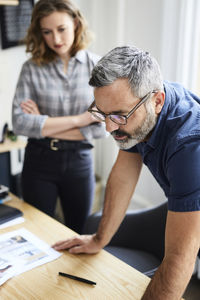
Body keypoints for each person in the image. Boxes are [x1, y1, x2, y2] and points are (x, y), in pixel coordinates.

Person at [52, 45, 200, 299]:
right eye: (103, 113)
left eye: (119, 115)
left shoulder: (190, 148)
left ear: (157, 102)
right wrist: (99, 239)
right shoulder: (144, 109)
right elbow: (123, 176)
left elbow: (179, 256)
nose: (109, 127)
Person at [12, 0, 106, 234]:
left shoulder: (97, 67)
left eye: (61, 29)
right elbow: (20, 123)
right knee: (38, 233)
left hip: (79, 161)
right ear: (39, 32)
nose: (56, 39)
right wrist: (81, 119)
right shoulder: (31, 69)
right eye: (47, 32)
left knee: (80, 232)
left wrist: (43, 122)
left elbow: (102, 128)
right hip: (39, 161)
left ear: (75, 24)